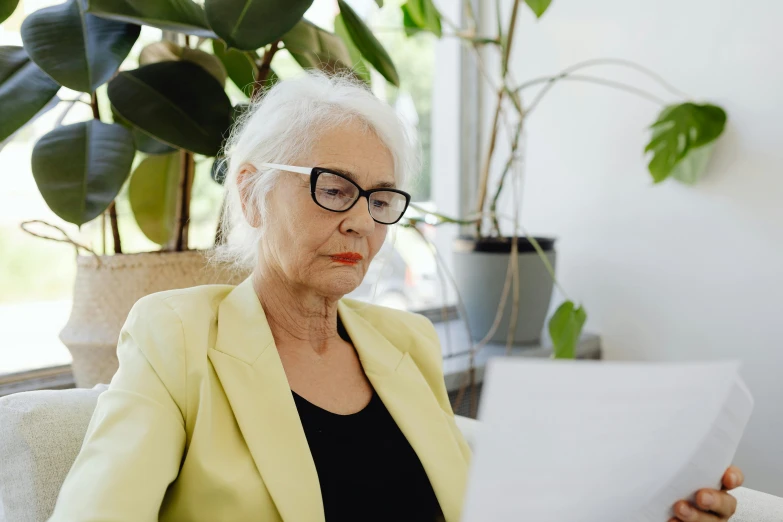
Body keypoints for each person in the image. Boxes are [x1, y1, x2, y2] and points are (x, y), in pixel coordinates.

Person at [48, 72, 744, 522]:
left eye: (379, 198)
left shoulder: (403, 343)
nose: (359, 220)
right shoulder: (175, 334)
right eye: (333, 187)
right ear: (252, 193)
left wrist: (655, 504)